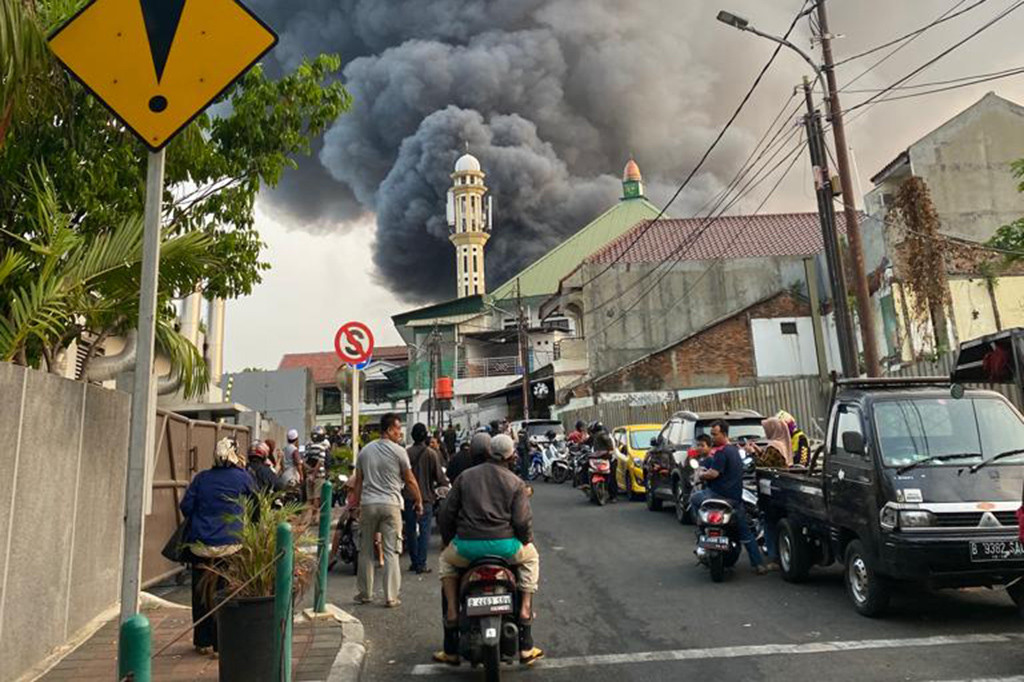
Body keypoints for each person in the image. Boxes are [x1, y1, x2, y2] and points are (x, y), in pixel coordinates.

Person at [435, 434, 543, 665]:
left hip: (467, 548)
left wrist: (448, 540)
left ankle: (452, 618)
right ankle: (525, 617)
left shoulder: (465, 477)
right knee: (531, 558)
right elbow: (522, 522)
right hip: (505, 547)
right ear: (510, 456)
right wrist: (525, 540)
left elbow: (446, 515)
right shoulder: (515, 482)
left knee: (445, 562)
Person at [180, 438, 255, 655]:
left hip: (200, 546)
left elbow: (186, 507)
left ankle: (202, 641)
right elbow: (257, 505)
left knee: (200, 593)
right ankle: (221, 645)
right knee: (226, 594)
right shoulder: (243, 478)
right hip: (231, 546)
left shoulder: (201, 478)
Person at [350, 413, 424, 607]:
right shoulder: (399, 452)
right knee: (391, 551)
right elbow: (409, 479)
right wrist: (418, 500)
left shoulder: (364, 451)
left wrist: (354, 505)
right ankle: (391, 597)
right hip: (391, 504)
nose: (400, 433)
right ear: (389, 430)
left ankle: (365, 593)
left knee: (366, 550)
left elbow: (358, 482)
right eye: (398, 429)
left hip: (368, 504)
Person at [690, 420, 767, 575]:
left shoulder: (721, 452)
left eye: (715, 434)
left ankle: (700, 527)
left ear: (724, 434)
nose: (712, 437)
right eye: (711, 434)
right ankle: (758, 564)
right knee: (745, 532)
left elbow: (713, 473)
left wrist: (702, 475)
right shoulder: (734, 451)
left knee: (694, 498)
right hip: (734, 500)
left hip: (716, 496)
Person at [404, 423, 449, 574]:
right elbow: (440, 477)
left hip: (409, 496)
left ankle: (414, 561)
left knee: (410, 530)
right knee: (424, 531)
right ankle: (421, 563)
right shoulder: (431, 454)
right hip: (426, 497)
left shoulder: (406, 453)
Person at [305, 426, 330, 514]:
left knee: (309, 498)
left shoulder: (308, 447)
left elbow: (304, 461)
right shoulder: (322, 448)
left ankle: (305, 518)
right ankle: (313, 518)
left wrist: (310, 471)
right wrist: (314, 474)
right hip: (319, 476)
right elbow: (320, 462)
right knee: (317, 497)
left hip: (309, 475)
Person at [590, 431, 619, 502]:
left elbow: (611, 447)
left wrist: (610, 452)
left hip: (610, 459)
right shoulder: (597, 438)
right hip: (601, 459)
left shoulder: (603, 436)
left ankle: (613, 496)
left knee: (611, 477)